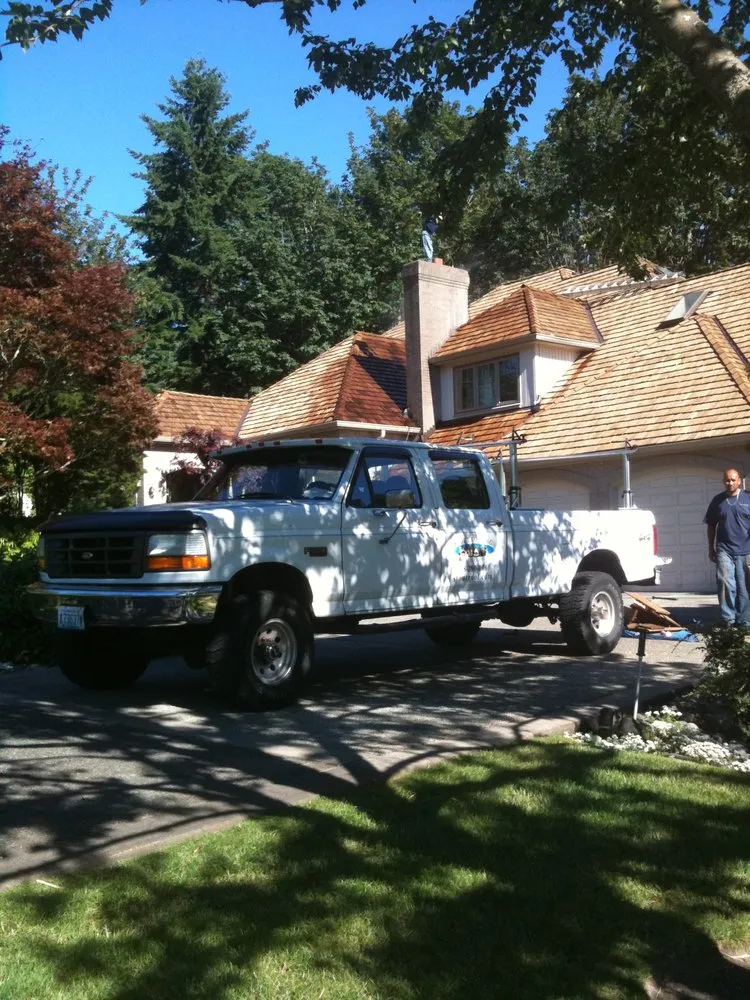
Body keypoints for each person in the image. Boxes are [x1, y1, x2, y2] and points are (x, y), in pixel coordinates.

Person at [704, 468, 750, 625]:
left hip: (746, 550)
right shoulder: (718, 501)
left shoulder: (748, 498)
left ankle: (744, 621)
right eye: (727, 480)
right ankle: (727, 620)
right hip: (725, 550)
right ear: (723, 481)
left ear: (739, 481)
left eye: (733, 479)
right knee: (725, 583)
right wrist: (711, 548)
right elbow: (711, 525)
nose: (730, 483)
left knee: (744, 587)